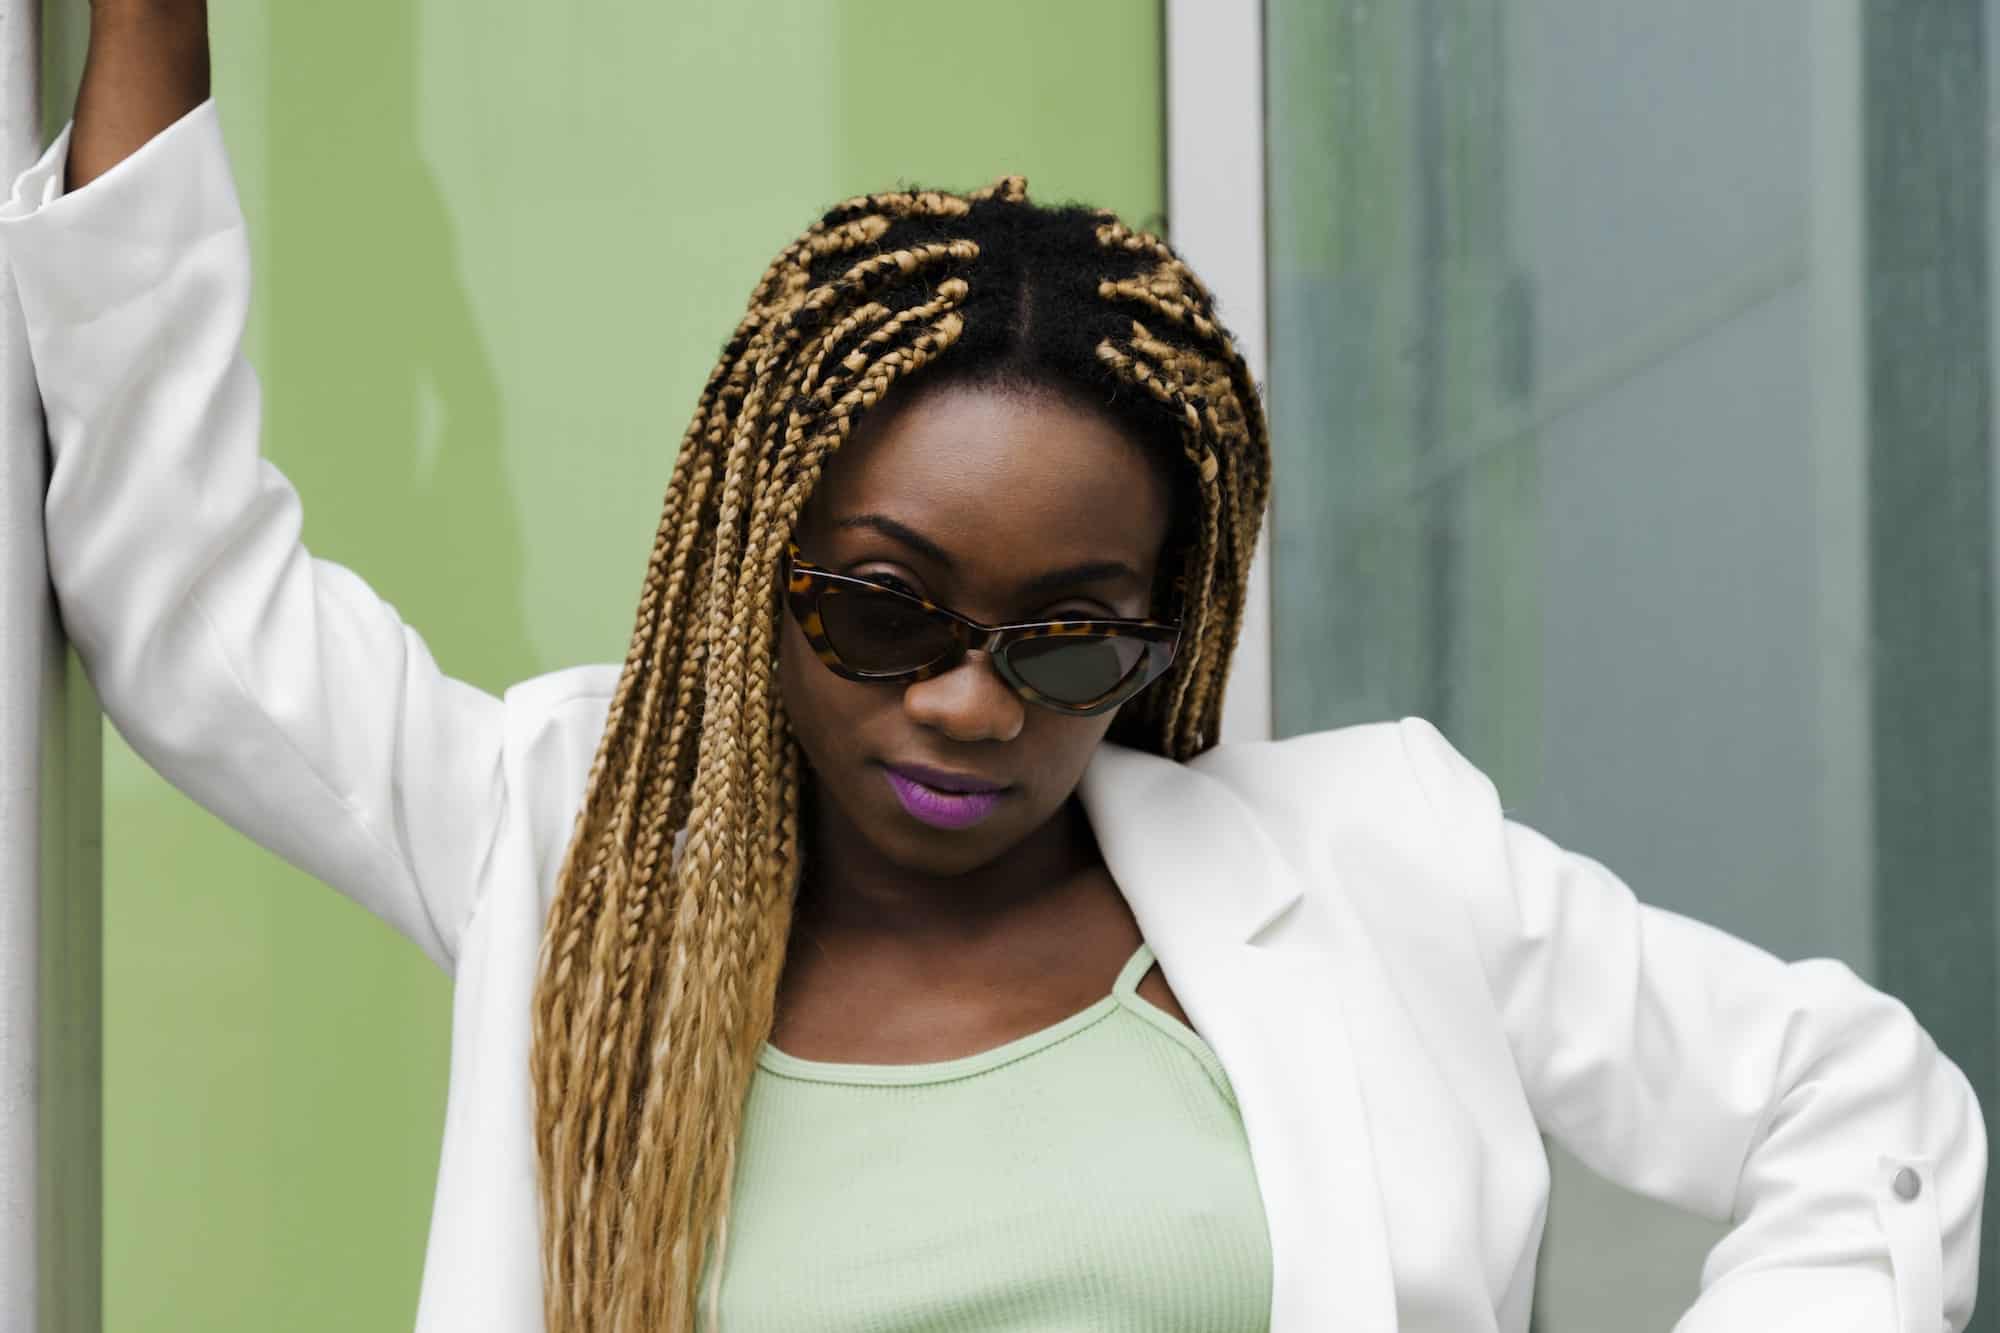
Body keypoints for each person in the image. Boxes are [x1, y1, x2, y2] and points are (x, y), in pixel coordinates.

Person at [3, 3, 1983, 1332]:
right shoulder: (569, 832)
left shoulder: (1371, 862)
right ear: (749, 572)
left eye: (1068, 639)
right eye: (882, 609)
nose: (969, 704)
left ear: (1165, 625)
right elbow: (188, 597)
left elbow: (1859, 1103)